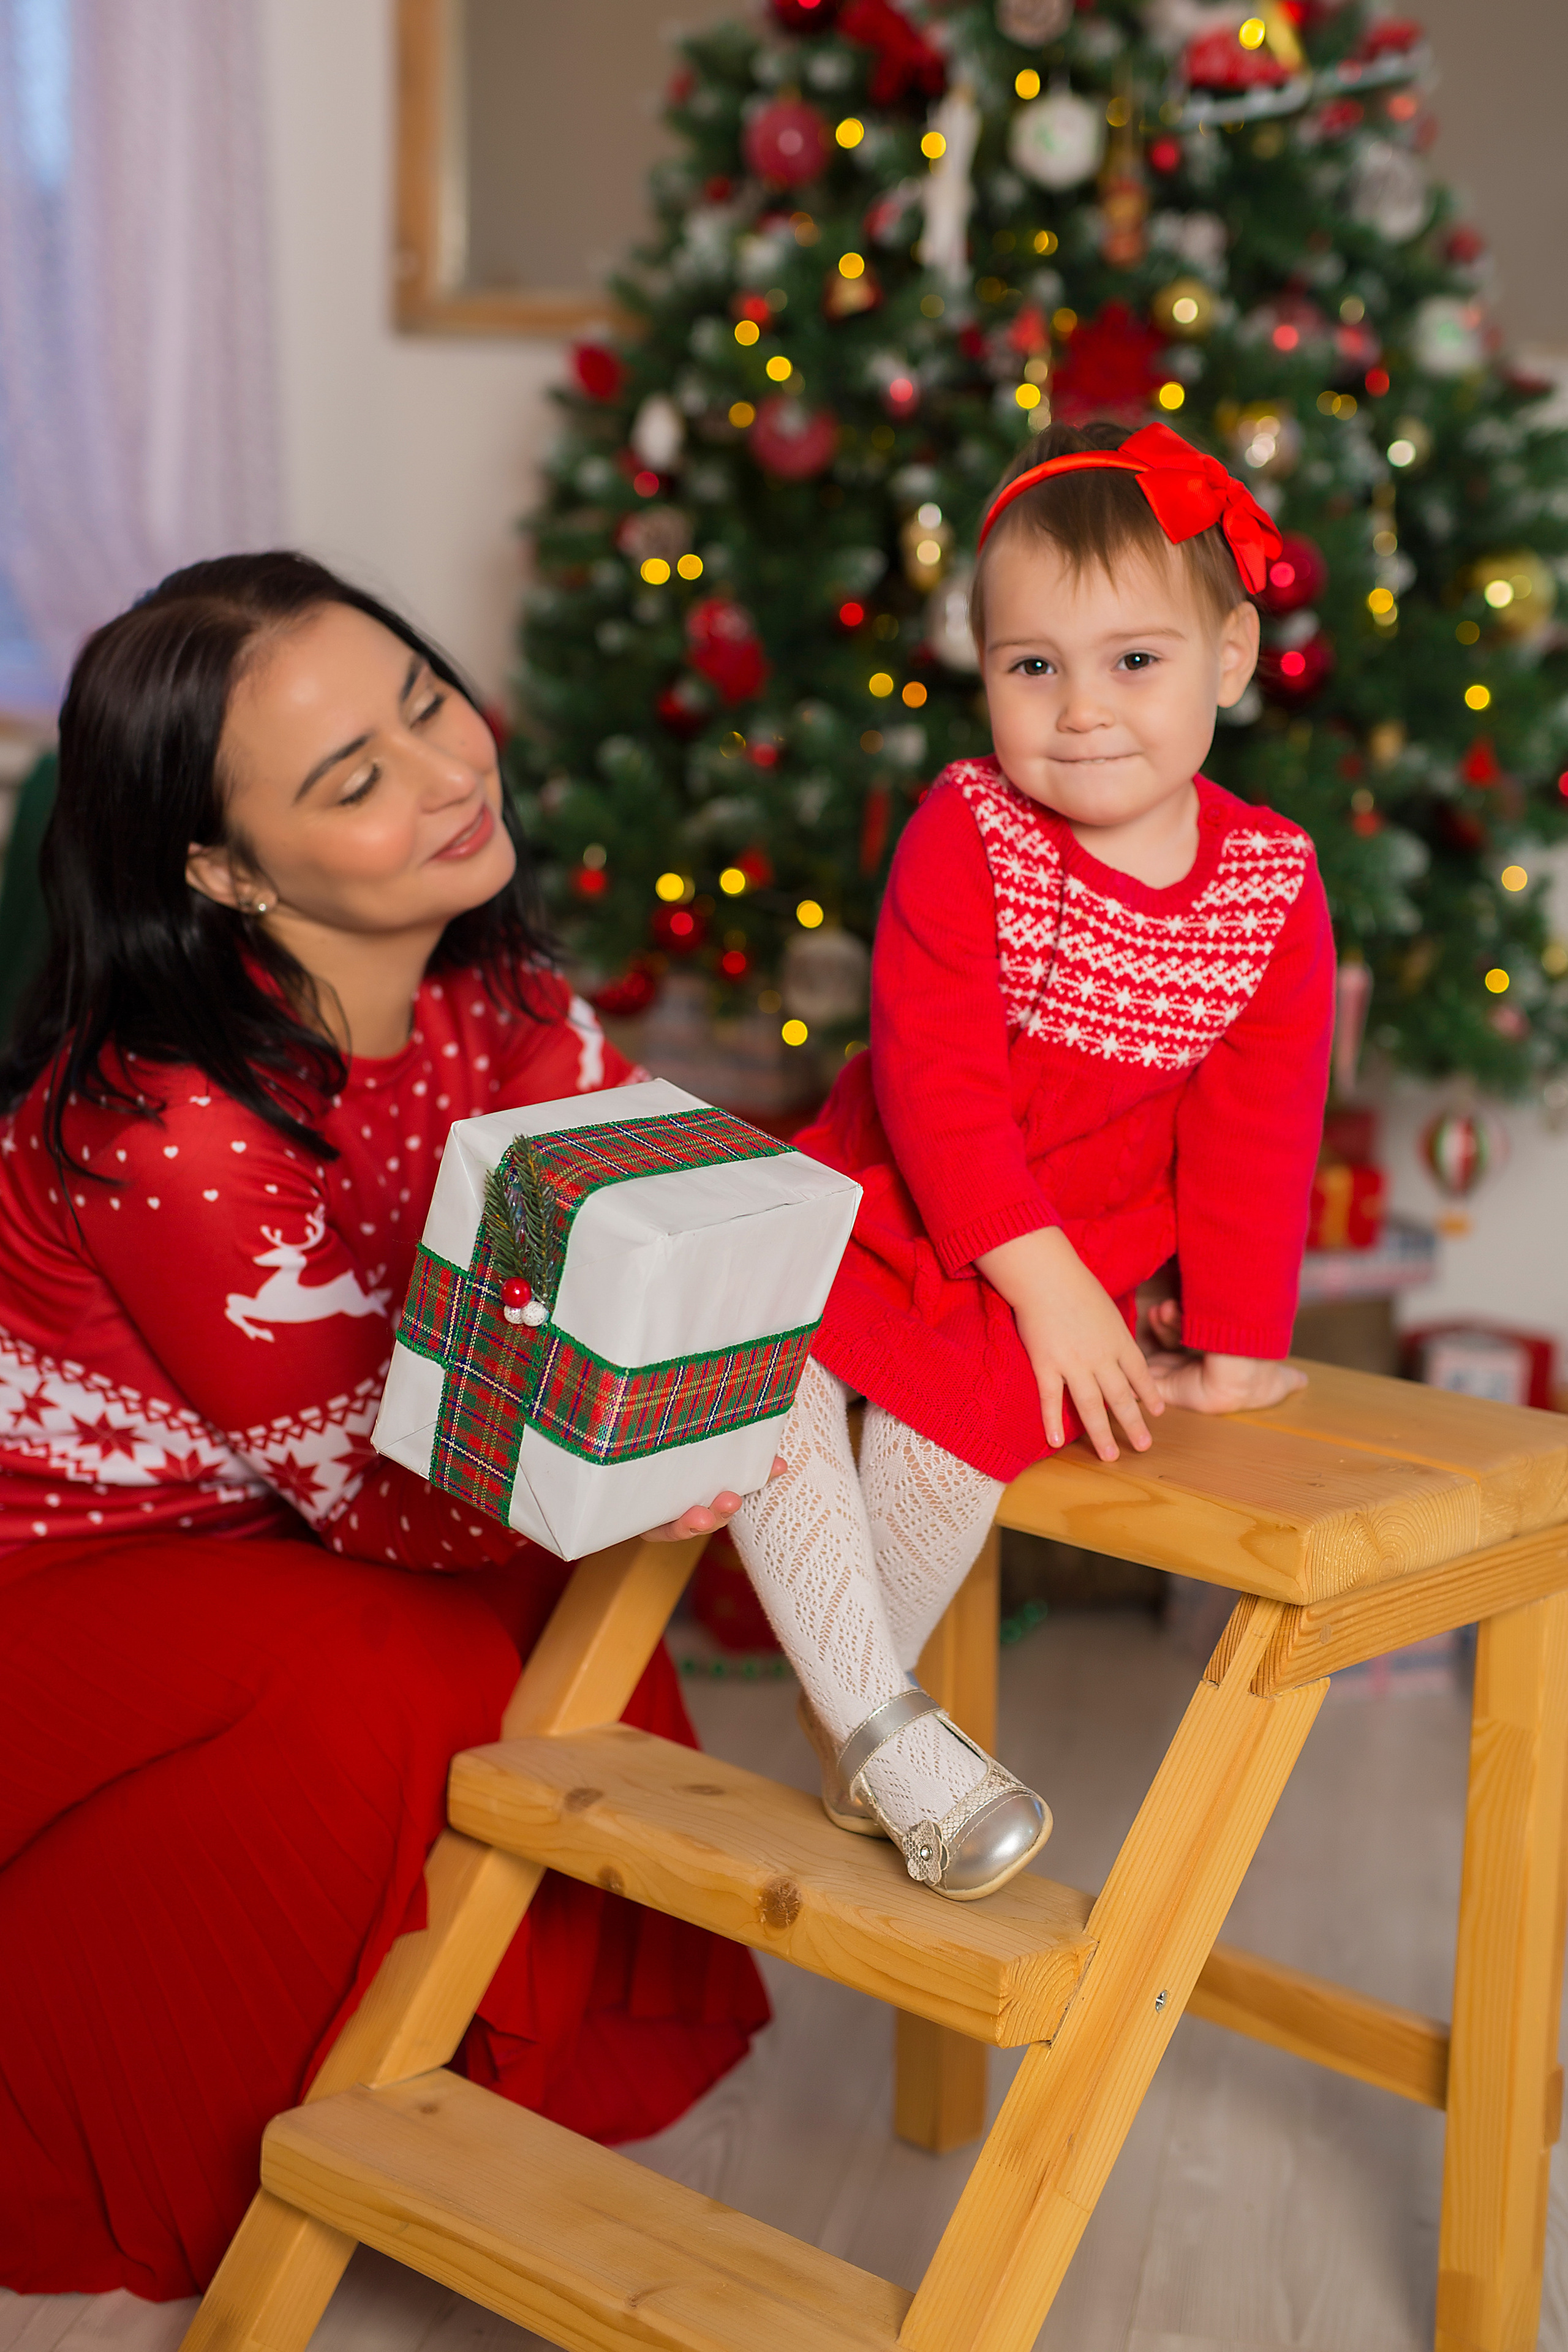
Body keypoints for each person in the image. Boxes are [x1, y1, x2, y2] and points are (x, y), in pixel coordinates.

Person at [0, 553, 770, 2301]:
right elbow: (395, 1500)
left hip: (286, 1513)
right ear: (220, 869)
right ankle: (225, 2124)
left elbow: (630, 1233)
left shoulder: (497, 999)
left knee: (558, 1607)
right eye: (353, 777)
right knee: (406, 1654)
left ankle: (478, 2079)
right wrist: (654, 1433)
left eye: (426, 697)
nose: (446, 772)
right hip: (57, 1578)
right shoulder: (165, 1120)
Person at [728, 420, 1335, 1902]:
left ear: (1231, 658)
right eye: (1030, 667)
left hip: (1066, 1257)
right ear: (982, 669)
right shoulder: (968, 829)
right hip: (910, 1199)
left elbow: (1260, 1134)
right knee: (754, 1356)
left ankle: (850, 1713)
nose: (1080, 712)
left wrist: (1240, 1347)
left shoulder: (1266, 888)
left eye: (1134, 660)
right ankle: (878, 1716)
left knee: (959, 1421)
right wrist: (1043, 1275)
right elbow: (934, 1087)